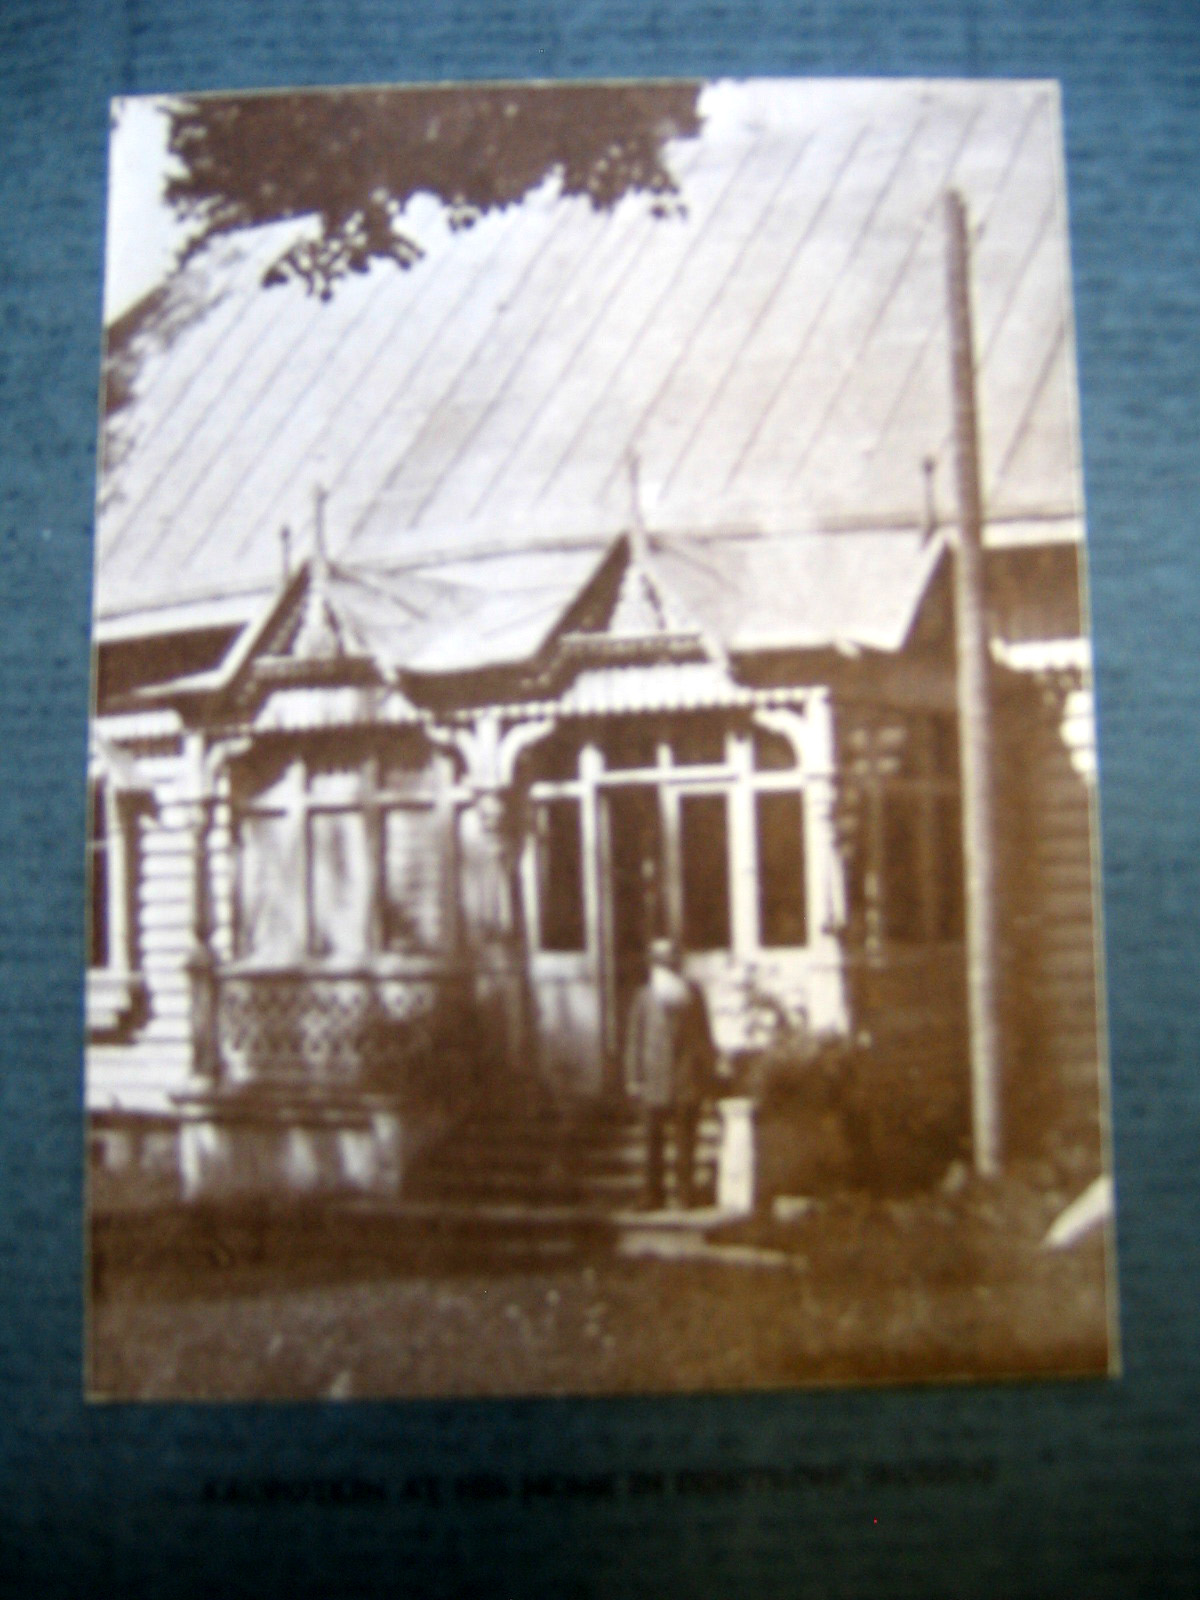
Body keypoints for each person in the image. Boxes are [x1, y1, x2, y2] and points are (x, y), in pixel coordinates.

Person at [623, 939, 717, 1210]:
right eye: (660, 960)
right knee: (653, 1142)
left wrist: (707, 1075)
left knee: (686, 1140)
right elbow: (635, 1040)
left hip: (686, 1078)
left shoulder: (693, 996)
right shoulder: (644, 997)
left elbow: (705, 1039)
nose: (666, 965)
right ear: (653, 963)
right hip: (654, 1079)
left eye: (671, 959)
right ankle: (653, 1196)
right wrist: (634, 1078)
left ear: (679, 963)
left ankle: (685, 1194)